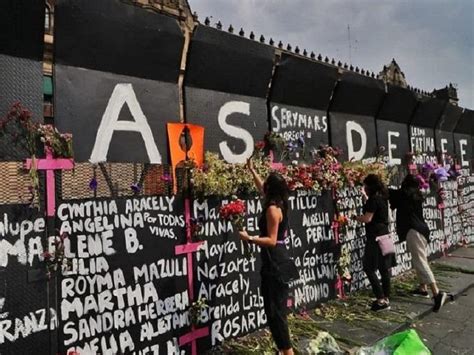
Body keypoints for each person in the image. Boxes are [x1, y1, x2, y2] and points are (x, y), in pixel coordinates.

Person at [239, 159, 294, 355]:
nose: (264, 188)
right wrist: (253, 171)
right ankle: (283, 349)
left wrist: (250, 238)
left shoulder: (272, 210)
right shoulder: (281, 203)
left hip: (275, 263)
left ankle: (287, 351)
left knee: (276, 312)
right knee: (273, 310)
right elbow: (262, 187)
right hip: (277, 261)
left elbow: (271, 240)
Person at [389, 174, 447, 312]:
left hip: (414, 231)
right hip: (422, 230)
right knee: (419, 259)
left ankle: (437, 293)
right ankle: (423, 288)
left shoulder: (404, 195)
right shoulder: (416, 195)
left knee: (420, 261)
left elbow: (390, 194)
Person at [355, 174, 396, 312]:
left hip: (375, 238)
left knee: (368, 267)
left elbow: (367, 218)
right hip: (384, 235)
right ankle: (386, 297)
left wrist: (354, 217)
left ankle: (380, 299)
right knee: (384, 269)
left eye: (365, 185)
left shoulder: (374, 199)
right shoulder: (382, 198)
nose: (364, 188)